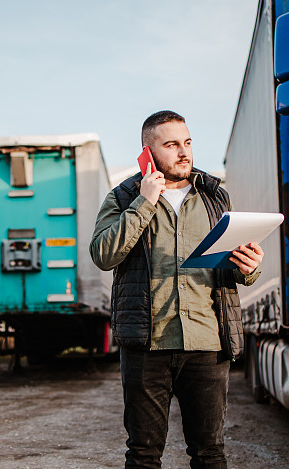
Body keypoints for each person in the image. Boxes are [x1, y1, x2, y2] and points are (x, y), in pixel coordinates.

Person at [89, 110, 263, 469]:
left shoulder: (215, 197)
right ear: (148, 153)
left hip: (207, 344)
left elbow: (229, 268)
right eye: (171, 145)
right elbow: (103, 255)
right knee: (143, 453)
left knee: (210, 453)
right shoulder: (123, 197)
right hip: (147, 344)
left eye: (187, 142)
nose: (184, 152)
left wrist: (249, 269)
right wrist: (145, 202)